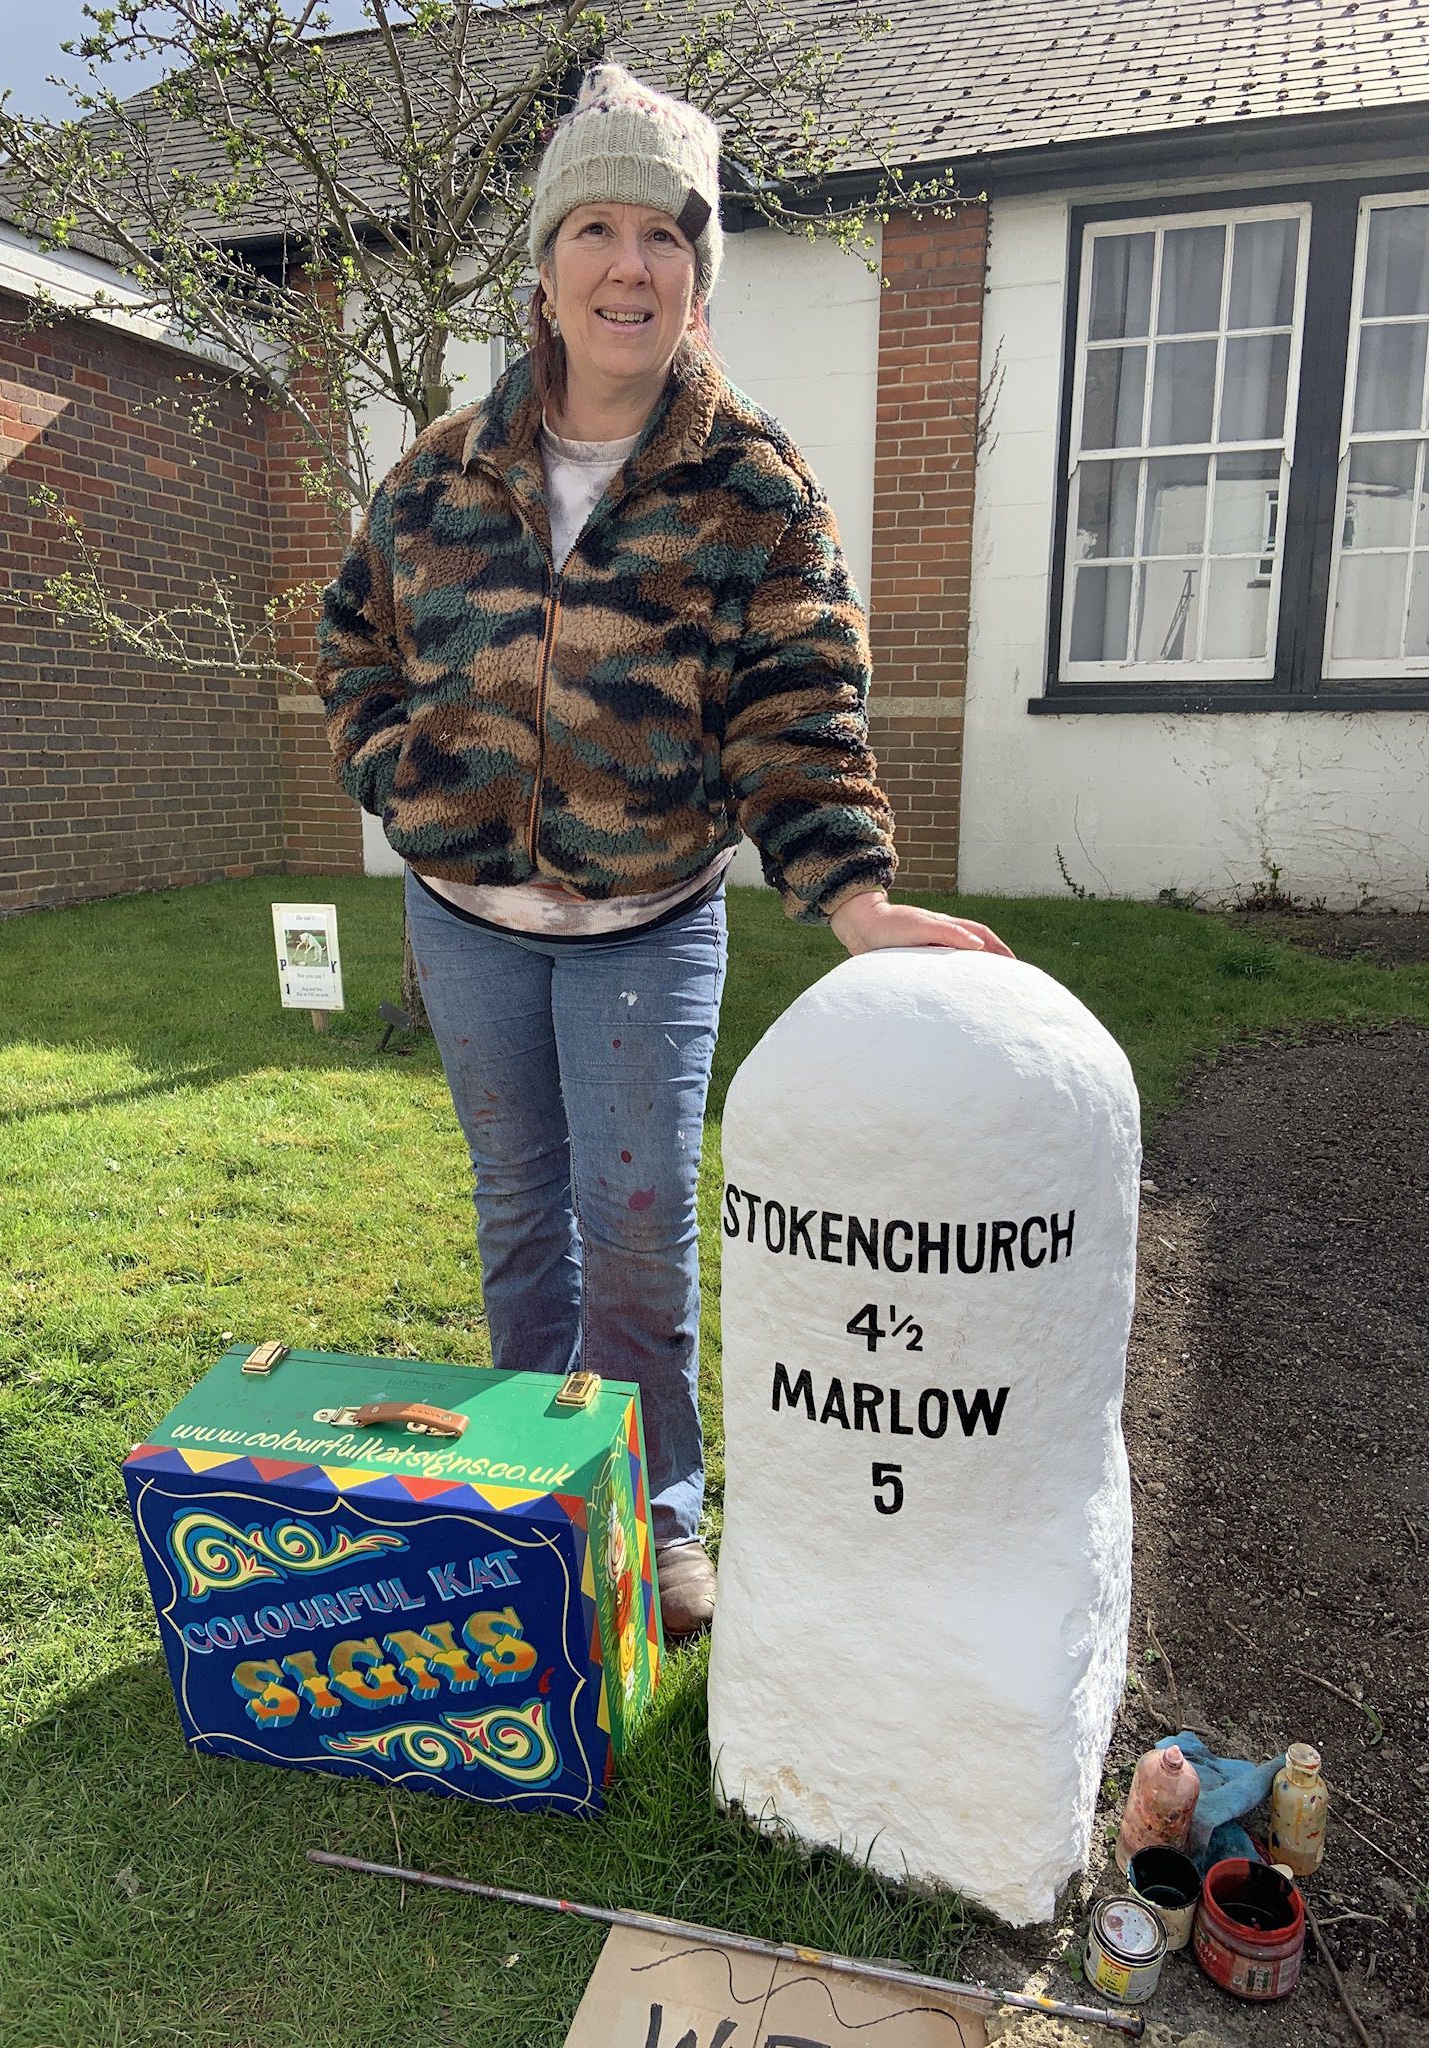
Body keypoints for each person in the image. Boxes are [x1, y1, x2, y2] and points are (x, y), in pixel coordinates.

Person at [315, 64, 1010, 1639]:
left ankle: (660, 1504)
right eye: (599, 231)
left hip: (645, 925)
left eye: (665, 238)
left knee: (634, 1229)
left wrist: (852, 896)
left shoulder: (753, 484)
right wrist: (396, 773)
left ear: (698, 274)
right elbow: (351, 637)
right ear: (548, 268)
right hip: (465, 922)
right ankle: (532, 1479)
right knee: (519, 1219)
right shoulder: (438, 471)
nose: (631, 267)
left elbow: (798, 699)